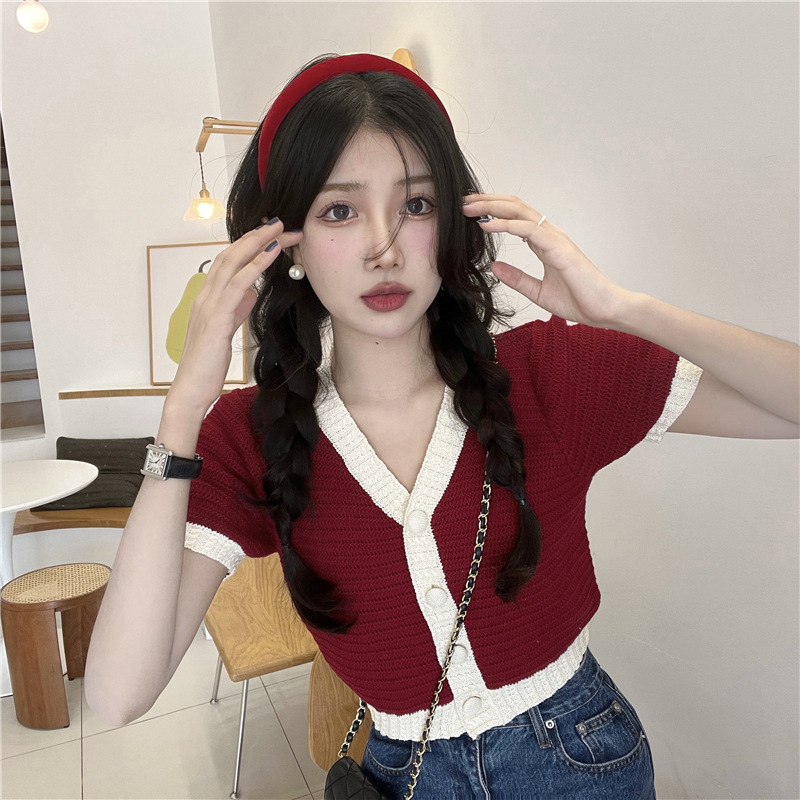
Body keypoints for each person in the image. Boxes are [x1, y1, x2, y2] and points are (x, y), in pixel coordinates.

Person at [84, 54, 799, 799]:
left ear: (453, 221)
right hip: (405, 776)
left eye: (417, 204)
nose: (385, 249)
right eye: (339, 211)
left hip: (580, 762)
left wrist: (622, 309)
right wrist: (182, 410)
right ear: (282, 243)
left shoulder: (547, 373)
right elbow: (117, 694)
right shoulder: (250, 437)